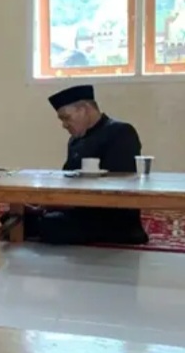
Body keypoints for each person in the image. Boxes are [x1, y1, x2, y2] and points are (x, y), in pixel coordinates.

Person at [8, 85, 148, 245]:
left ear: (84, 109)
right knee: (14, 217)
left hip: (110, 216)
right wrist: (45, 203)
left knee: (48, 226)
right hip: (79, 210)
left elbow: (118, 184)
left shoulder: (121, 132)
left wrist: (56, 204)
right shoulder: (76, 140)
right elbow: (69, 179)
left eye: (66, 118)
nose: (64, 125)